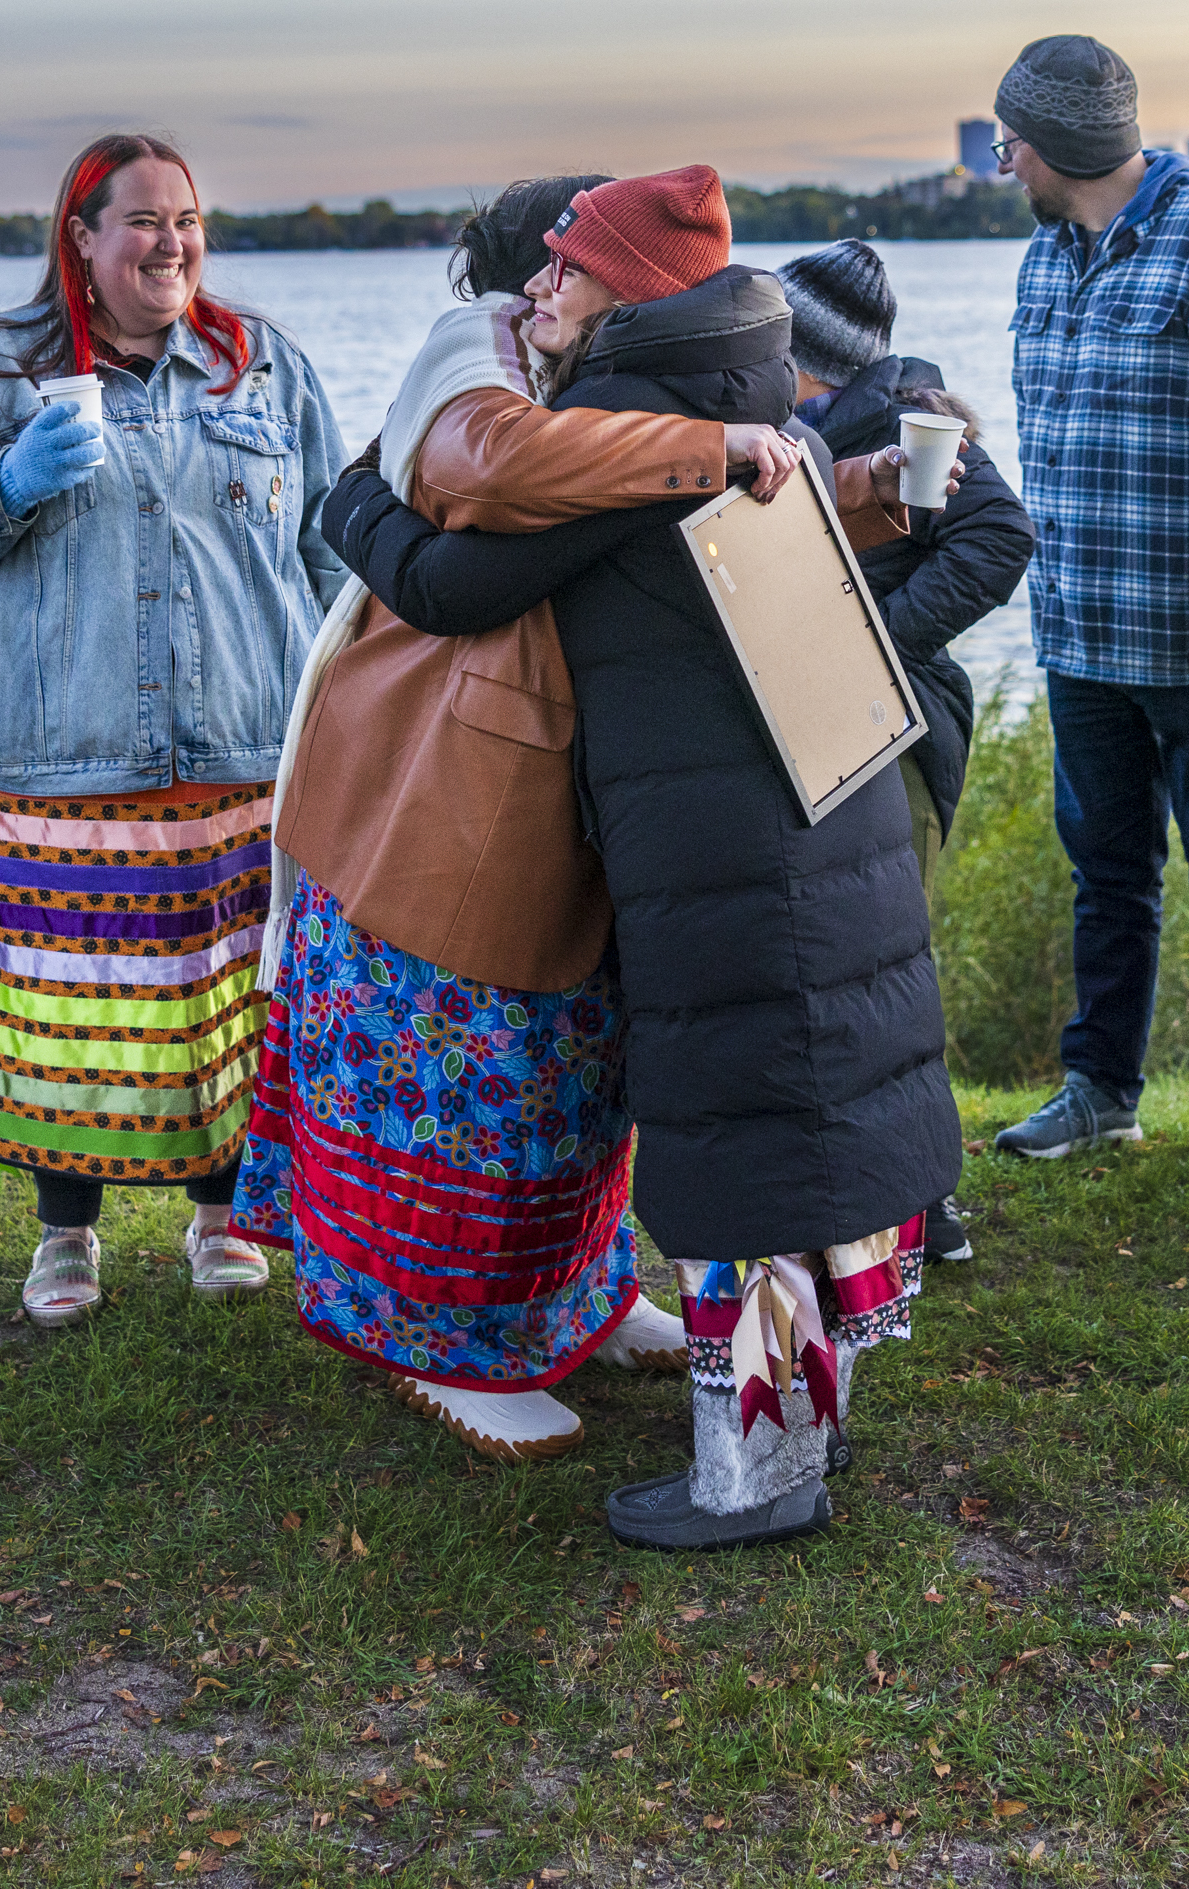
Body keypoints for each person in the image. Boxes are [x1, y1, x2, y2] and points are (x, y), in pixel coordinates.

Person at [324, 166, 957, 1552]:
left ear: (635, 292)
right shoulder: (748, 399)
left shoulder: (640, 433)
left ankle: (760, 1474)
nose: (533, 288)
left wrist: (352, 498)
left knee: (743, 1144)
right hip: (803, 806)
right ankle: (804, 1421)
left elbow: (455, 580)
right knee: (802, 1121)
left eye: (565, 268)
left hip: (723, 840)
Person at [239, 176, 804, 1458]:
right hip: (433, 775)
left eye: (572, 263)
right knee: (461, 1064)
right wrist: (711, 454)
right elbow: (478, 471)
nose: (536, 285)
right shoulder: (485, 350)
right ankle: (436, 1339)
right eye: (541, 257)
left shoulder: (686, 375)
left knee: (571, 1071)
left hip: (585, 789)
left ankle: (576, 1299)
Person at [0, 134, 348, 1327]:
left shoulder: (260, 365)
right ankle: (65, 1235)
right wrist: (14, 480)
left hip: (241, 753)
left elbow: (334, 547)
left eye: (186, 218)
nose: (172, 242)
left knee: (225, 1000)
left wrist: (354, 712)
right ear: (80, 239)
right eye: (141, 220)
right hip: (53, 759)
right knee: (64, 1015)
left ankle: (220, 1212)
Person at [979, 38, 1189, 1184]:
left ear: (1056, 143)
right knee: (1107, 872)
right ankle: (1100, 1092)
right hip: (1081, 629)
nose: (1002, 156)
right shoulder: (1045, 255)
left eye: (1009, 138)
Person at [780, 237, 1035, 1263]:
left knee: (887, 973)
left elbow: (998, 538)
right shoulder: (796, 423)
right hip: (819, 728)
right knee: (841, 970)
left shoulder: (899, 420)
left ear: (808, 348)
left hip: (893, 730)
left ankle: (926, 1206)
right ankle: (860, 1194)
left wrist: (869, 646)